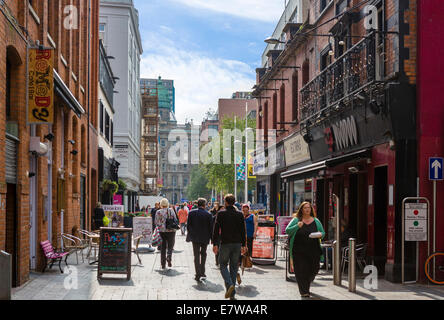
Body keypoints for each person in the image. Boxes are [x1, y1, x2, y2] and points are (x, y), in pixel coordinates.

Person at [285, 202, 325, 298]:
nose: (307, 209)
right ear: (301, 209)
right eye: (305, 208)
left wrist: (320, 235)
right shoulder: (296, 220)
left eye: (309, 208)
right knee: (300, 271)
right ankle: (304, 291)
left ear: (311, 209)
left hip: (313, 250)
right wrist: (297, 226)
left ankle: (306, 284)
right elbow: (287, 230)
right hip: (298, 250)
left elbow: (323, 233)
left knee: (314, 269)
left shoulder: (316, 221)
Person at [212, 194, 247, 301]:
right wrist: (244, 245)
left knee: (222, 264)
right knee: (233, 266)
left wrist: (215, 243)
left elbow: (216, 229)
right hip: (237, 244)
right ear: (234, 202)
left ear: (226, 202)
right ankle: (232, 294)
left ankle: (230, 284)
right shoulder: (240, 214)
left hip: (225, 243)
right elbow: (243, 230)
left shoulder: (221, 214)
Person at [186, 198, 213, 281]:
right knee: (204, 254)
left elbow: (188, 225)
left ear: (197, 204)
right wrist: (212, 238)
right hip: (205, 237)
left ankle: (198, 273)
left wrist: (191, 234)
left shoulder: (191, 213)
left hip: (195, 237)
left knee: (196, 255)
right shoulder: (208, 214)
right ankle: (202, 271)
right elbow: (211, 228)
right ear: (204, 205)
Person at [155, 198, 178, 269]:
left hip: (162, 231)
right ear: (167, 203)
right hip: (171, 230)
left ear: (161, 204)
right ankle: (169, 256)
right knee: (170, 246)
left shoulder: (158, 212)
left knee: (163, 247)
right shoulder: (171, 210)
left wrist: (161, 225)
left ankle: (163, 264)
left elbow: (156, 222)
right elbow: (175, 219)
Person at [210, 201, 223, 266]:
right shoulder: (215, 217)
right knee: (217, 248)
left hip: (224, 236)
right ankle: (217, 261)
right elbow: (212, 227)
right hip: (217, 235)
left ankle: (220, 261)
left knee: (222, 249)